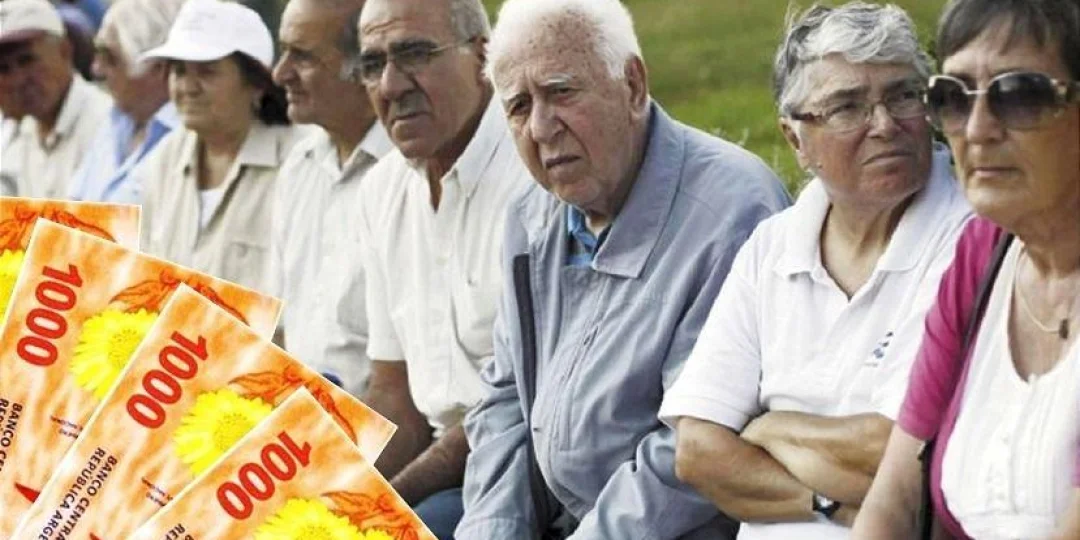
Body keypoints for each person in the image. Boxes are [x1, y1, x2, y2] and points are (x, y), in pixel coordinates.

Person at [456, 1, 791, 538]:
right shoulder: (532, 214)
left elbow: (690, 446)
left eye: (561, 91)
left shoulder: (731, 211)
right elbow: (505, 400)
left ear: (633, 86)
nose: (541, 127)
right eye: (518, 106)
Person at [660, 3, 973, 539]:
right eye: (847, 107)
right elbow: (697, 452)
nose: (885, 125)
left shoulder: (969, 238)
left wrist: (768, 428)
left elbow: (903, 455)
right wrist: (827, 506)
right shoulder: (771, 246)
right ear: (794, 140)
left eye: (903, 96)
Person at [853, 0, 1080, 538]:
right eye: (951, 97)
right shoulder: (984, 253)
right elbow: (894, 497)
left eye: (1018, 95)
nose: (976, 130)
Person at [353, 0, 533, 536]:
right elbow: (394, 396)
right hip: (443, 473)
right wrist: (333, 494)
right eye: (372, 64)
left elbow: (518, 406)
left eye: (414, 54)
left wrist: (378, 506)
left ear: (483, 58)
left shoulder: (536, 172)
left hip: (526, 465)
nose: (391, 86)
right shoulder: (381, 189)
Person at [133, 0, 304, 292]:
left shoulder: (297, 161)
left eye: (207, 72)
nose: (188, 87)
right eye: (179, 71)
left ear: (256, 83)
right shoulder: (163, 161)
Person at [268, 0, 392, 396]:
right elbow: (278, 329)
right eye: (283, 51)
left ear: (364, 69)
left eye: (303, 57)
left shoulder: (408, 172)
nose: (280, 73)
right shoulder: (298, 167)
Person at [67, 0, 184, 204]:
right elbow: (72, 207)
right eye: (98, 54)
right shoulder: (115, 121)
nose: (97, 69)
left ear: (159, 68)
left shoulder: (186, 138)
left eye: (111, 59)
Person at [0, 0, 111, 199]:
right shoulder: (22, 130)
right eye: (3, 69)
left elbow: (114, 218)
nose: (17, 80)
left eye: (27, 61)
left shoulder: (105, 125)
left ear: (64, 51)